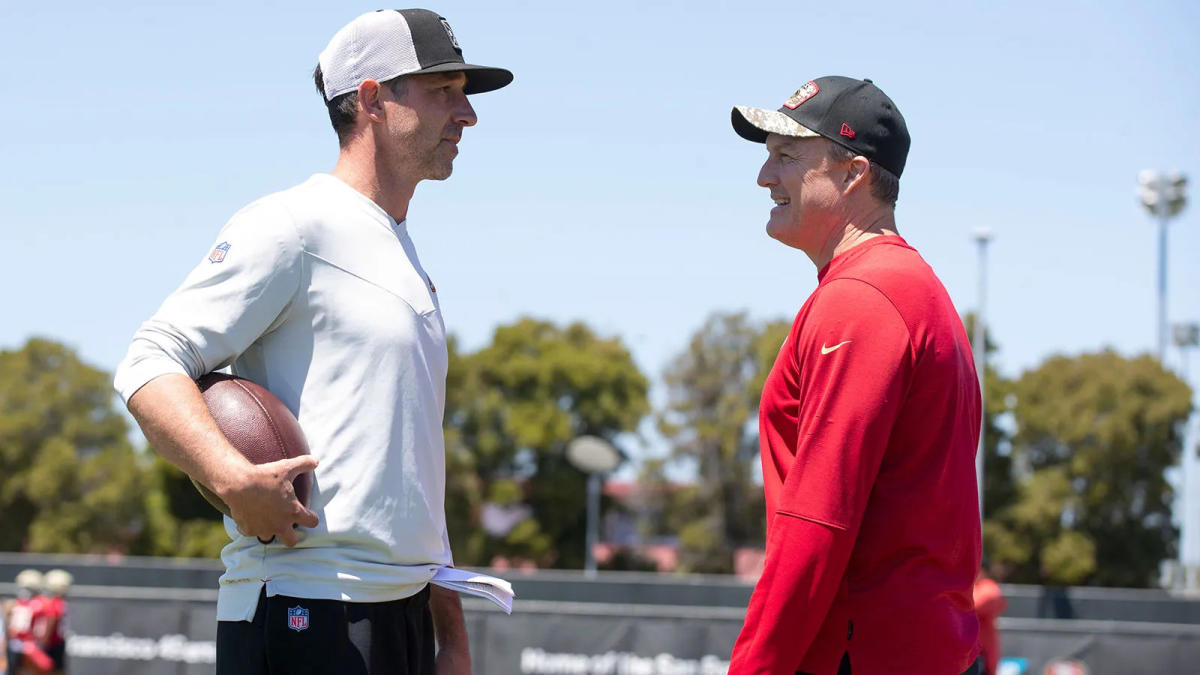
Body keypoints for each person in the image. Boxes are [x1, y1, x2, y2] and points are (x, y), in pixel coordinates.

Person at [113, 9, 511, 674]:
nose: (466, 113)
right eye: (443, 90)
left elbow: (415, 464)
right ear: (372, 99)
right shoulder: (292, 225)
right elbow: (150, 360)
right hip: (305, 605)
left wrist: (450, 633)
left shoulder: (405, 255)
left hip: (401, 613)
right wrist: (231, 477)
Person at [727, 77, 983, 674]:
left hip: (864, 653)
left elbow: (818, 519)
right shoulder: (904, 287)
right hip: (918, 649)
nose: (765, 177)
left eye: (786, 156)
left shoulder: (863, 298)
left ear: (853, 174)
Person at [973, 563, 1008, 675]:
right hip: (971, 655)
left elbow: (971, 606)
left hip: (981, 656)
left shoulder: (989, 588)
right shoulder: (974, 588)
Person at [36, 570, 71, 675]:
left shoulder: (54, 603)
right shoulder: (64, 603)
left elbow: (50, 621)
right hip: (60, 643)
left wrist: (43, 643)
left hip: (52, 645)